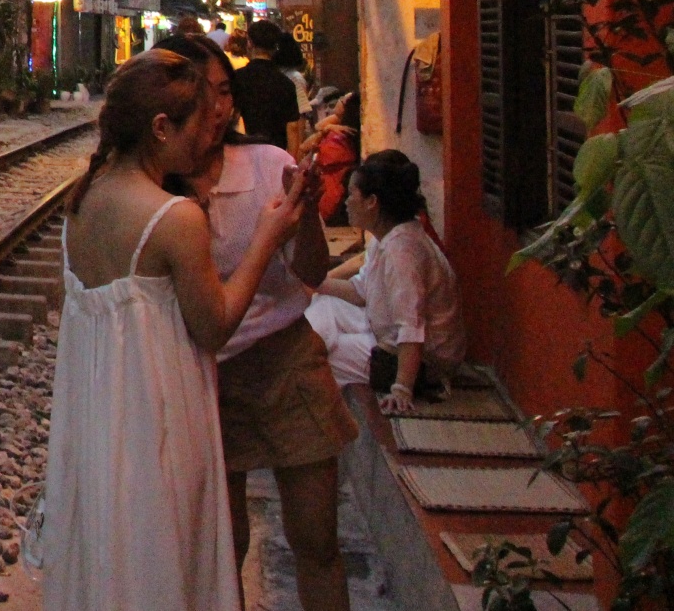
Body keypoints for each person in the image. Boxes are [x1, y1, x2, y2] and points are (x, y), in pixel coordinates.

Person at [30, 49, 306, 611]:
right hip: (159, 416)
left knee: (114, 557)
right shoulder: (175, 217)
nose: (211, 137)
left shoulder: (82, 198)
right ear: (160, 128)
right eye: (199, 125)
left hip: (103, 421)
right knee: (163, 558)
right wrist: (268, 237)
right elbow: (215, 327)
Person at [161, 35, 356, 611]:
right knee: (223, 549)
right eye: (201, 94)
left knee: (317, 538)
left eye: (224, 90)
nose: (217, 108)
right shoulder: (155, 184)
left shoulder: (270, 162)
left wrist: (308, 218)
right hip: (203, 375)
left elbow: (312, 273)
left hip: (286, 362)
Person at [307, 151, 466, 413]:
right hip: (384, 332)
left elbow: (411, 326)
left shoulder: (402, 251)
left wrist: (402, 388)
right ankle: (309, 344)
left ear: (372, 202)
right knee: (324, 302)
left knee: (318, 360)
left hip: (423, 363)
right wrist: (312, 283)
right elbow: (360, 291)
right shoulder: (389, 238)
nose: (346, 202)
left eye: (351, 195)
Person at [231, 19, 305, 154]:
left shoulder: (237, 78)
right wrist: (292, 162)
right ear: (275, 47)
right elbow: (292, 127)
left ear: (250, 43)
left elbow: (232, 117)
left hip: (245, 152)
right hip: (276, 153)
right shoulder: (286, 83)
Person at [300, 91, 361, 223]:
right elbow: (317, 129)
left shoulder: (339, 137)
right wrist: (327, 128)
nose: (338, 100)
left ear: (347, 108)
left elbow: (304, 148)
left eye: (342, 100)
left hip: (330, 196)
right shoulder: (338, 126)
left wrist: (326, 131)